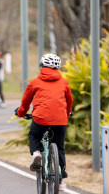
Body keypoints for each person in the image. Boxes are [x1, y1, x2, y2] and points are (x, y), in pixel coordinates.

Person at [15, 53, 73, 183]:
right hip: (60, 120)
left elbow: (25, 102)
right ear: (58, 68)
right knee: (59, 146)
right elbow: (69, 101)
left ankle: (36, 153)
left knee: (34, 135)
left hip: (40, 118)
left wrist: (20, 113)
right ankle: (61, 178)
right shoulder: (64, 82)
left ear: (41, 66)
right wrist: (67, 113)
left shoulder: (34, 83)